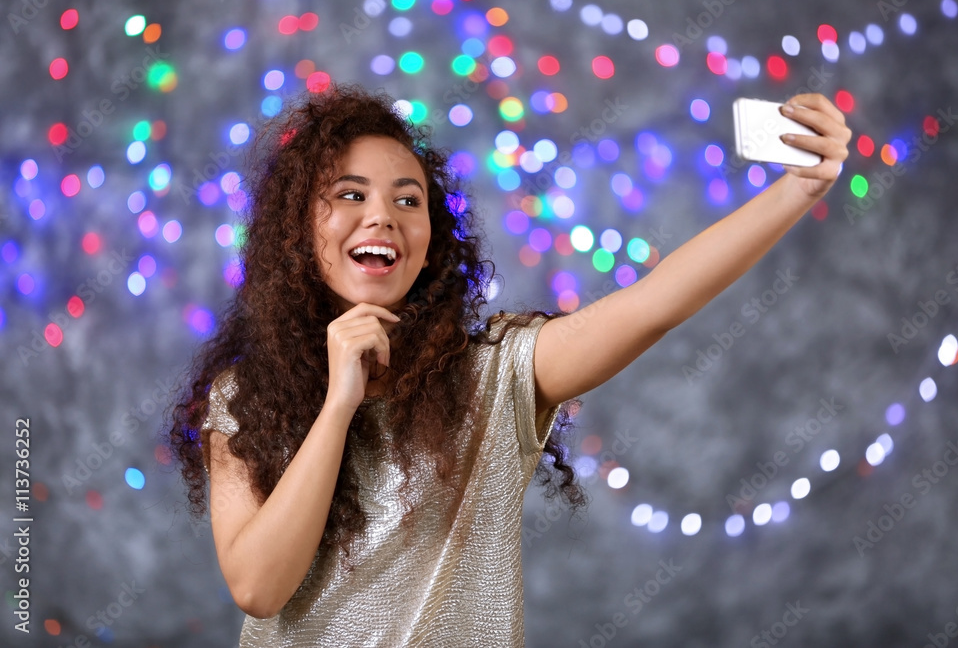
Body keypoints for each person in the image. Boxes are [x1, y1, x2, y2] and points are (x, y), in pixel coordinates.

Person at [167, 83, 850, 646]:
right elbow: (258, 585)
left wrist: (797, 191)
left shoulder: (493, 377)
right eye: (350, 195)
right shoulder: (246, 398)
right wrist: (339, 403)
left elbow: (652, 305)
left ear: (432, 239)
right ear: (297, 227)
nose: (383, 216)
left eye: (409, 200)